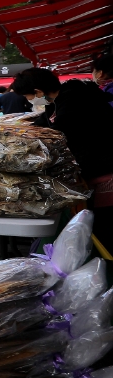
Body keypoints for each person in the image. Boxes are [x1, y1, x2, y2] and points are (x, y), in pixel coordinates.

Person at [26, 69, 113, 249]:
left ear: (38, 92)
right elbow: (42, 124)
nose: (29, 100)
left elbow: (61, 132)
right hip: (90, 169)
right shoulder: (55, 102)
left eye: (28, 96)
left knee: (105, 227)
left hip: (104, 168)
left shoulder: (75, 98)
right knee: (94, 225)